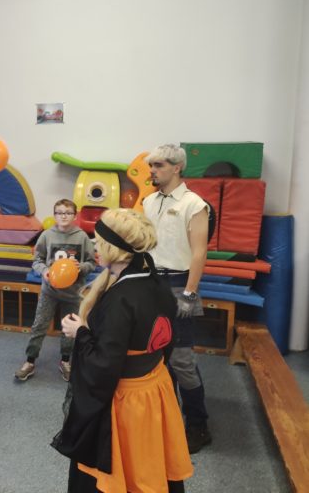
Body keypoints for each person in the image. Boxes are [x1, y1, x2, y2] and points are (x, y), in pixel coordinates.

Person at [52, 209, 193, 493]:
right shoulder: (155, 281)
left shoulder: (120, 298)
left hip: (127, 402)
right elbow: (166, 343)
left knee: (121, 473)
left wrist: (80, 333)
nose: (94, 245)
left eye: (98, 240)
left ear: (112, 248)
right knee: (149, 464)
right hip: (155, 391)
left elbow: (104, 366)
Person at [143, 143, 211, 453]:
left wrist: (189, 293)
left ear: (177, 167)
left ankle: (198, 424)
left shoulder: (194, 204)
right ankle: (168, 419)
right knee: (158, 356)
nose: (152, 170)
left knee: (182, 360)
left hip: (179, 283)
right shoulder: (148, 201)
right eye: (151, 165)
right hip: (151, 283)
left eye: (158, 165)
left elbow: (199, 252)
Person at [15, 199, 95, 382]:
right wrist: (44, 271)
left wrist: (81, 267)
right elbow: (37, 260)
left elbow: (92, 262)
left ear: (74, 216)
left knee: (69, 329)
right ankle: (30, 361)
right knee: (39, 325)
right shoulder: (46, 235)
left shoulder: (82, 237)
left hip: (73, 293)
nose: (63, 216)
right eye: (59, 213)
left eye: (68, 213)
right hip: (49, 291)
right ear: (54, 215)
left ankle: (65, 360)